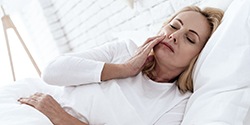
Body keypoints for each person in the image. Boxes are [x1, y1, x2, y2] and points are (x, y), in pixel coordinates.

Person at [18, 5, 224, 125]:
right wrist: (124, 69)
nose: (174, 36)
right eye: (173, 26)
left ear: (197, 57)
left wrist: (63, 119)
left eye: (189, 38)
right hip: (36, 113)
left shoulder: (176, 102)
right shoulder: (124, 50)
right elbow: (52, 71)